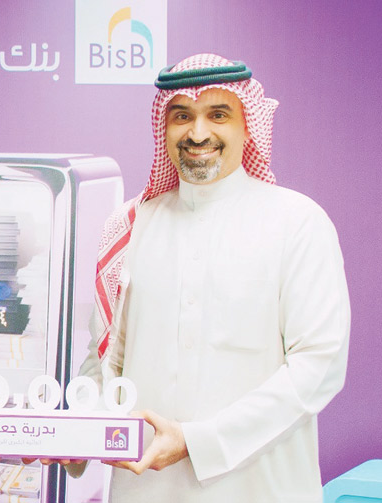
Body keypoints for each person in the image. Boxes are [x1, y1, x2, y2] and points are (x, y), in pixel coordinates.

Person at [75, 54, 351, 502]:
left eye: (218, 115)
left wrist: (196, 442)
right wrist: (70, 436)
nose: (198, 133)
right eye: (182, 116)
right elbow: (106, 360)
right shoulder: (130, 226)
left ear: (249, 125)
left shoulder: (297, 222)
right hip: (146, 490)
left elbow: (317, 368)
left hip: (261, 491)